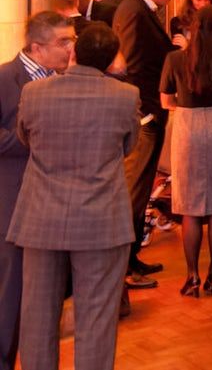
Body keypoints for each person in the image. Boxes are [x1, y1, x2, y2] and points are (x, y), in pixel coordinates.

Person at [8, 24, 135, 370]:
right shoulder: (126, 95)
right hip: (101, 217)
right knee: (96, 317)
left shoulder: (34, 92)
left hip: (41, 215)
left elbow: (25, 137)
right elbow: (129, 145)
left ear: (74, 53)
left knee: (37, 313)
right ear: (110, 60)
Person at [0, 12, 75, 370]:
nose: (71, 48)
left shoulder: (65, 80)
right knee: (9, 296)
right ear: (36, 47)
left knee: (44, 299)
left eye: (72, 40)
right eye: (64, 42)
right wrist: (37, 140)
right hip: (13, 202)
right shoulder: (4, 78)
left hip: (56, 206)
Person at [111, 0, 185, 288]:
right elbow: (132, 64)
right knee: (134, 189)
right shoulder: (133, 10)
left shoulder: (143, 9)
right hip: (144, 114)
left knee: (140, 192)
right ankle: (123, 267)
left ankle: (132, 260)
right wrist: (144, 112)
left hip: (151, 110)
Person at [159, 5, 212, 297]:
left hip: (187, 126)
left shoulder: (175, 58)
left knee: (189, 205)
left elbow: (166, 100)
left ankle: (192, 275)